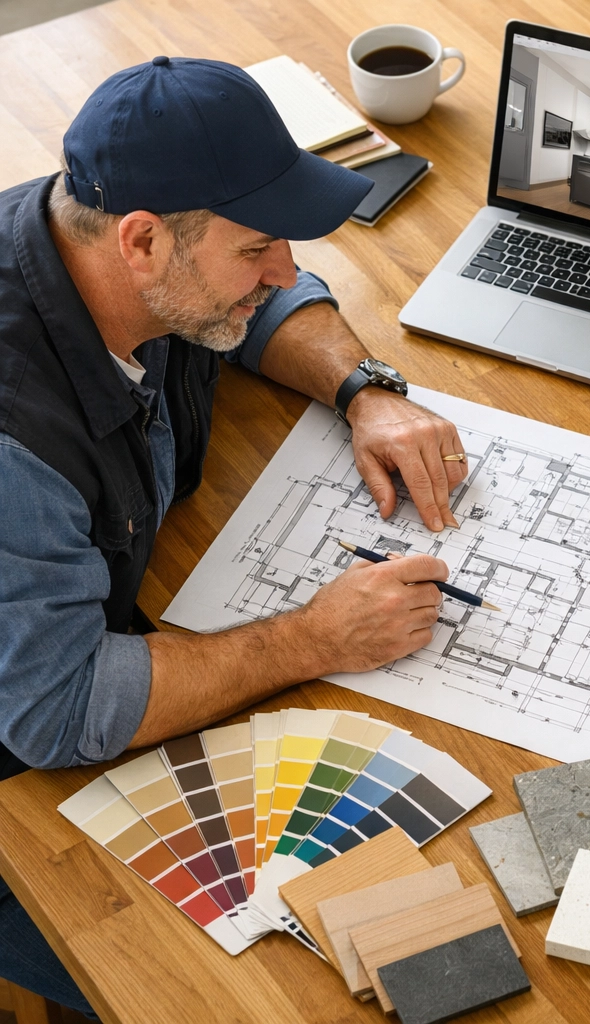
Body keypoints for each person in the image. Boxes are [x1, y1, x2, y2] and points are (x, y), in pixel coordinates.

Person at [0, 57, 468, 1013]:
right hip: (18, 806)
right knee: (285, 985)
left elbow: (250, 311)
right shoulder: (13, 445)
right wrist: (314, 638)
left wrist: (361, 388)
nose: (287, 268)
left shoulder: (91, 235)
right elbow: (57, 712)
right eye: (259, 245)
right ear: (140, 243)